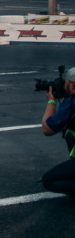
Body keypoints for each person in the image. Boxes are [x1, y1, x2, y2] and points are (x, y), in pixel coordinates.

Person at [41, 67, 75, 197]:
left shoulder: (71, 103)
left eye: (65, 84)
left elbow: (47, 129)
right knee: (69, 135)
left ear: (72, 85)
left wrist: (51, 101)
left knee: (49, 180)